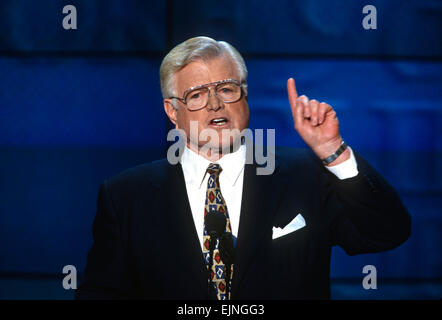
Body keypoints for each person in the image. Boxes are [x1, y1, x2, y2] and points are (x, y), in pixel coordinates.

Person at [75, 36, 411, 300]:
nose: (215, 103)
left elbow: (387, 232)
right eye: (196, 95)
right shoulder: (125, 196)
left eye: (226, 88)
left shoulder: (304, 176)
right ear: (172, 111)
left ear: (245, 97)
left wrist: (332, 152)